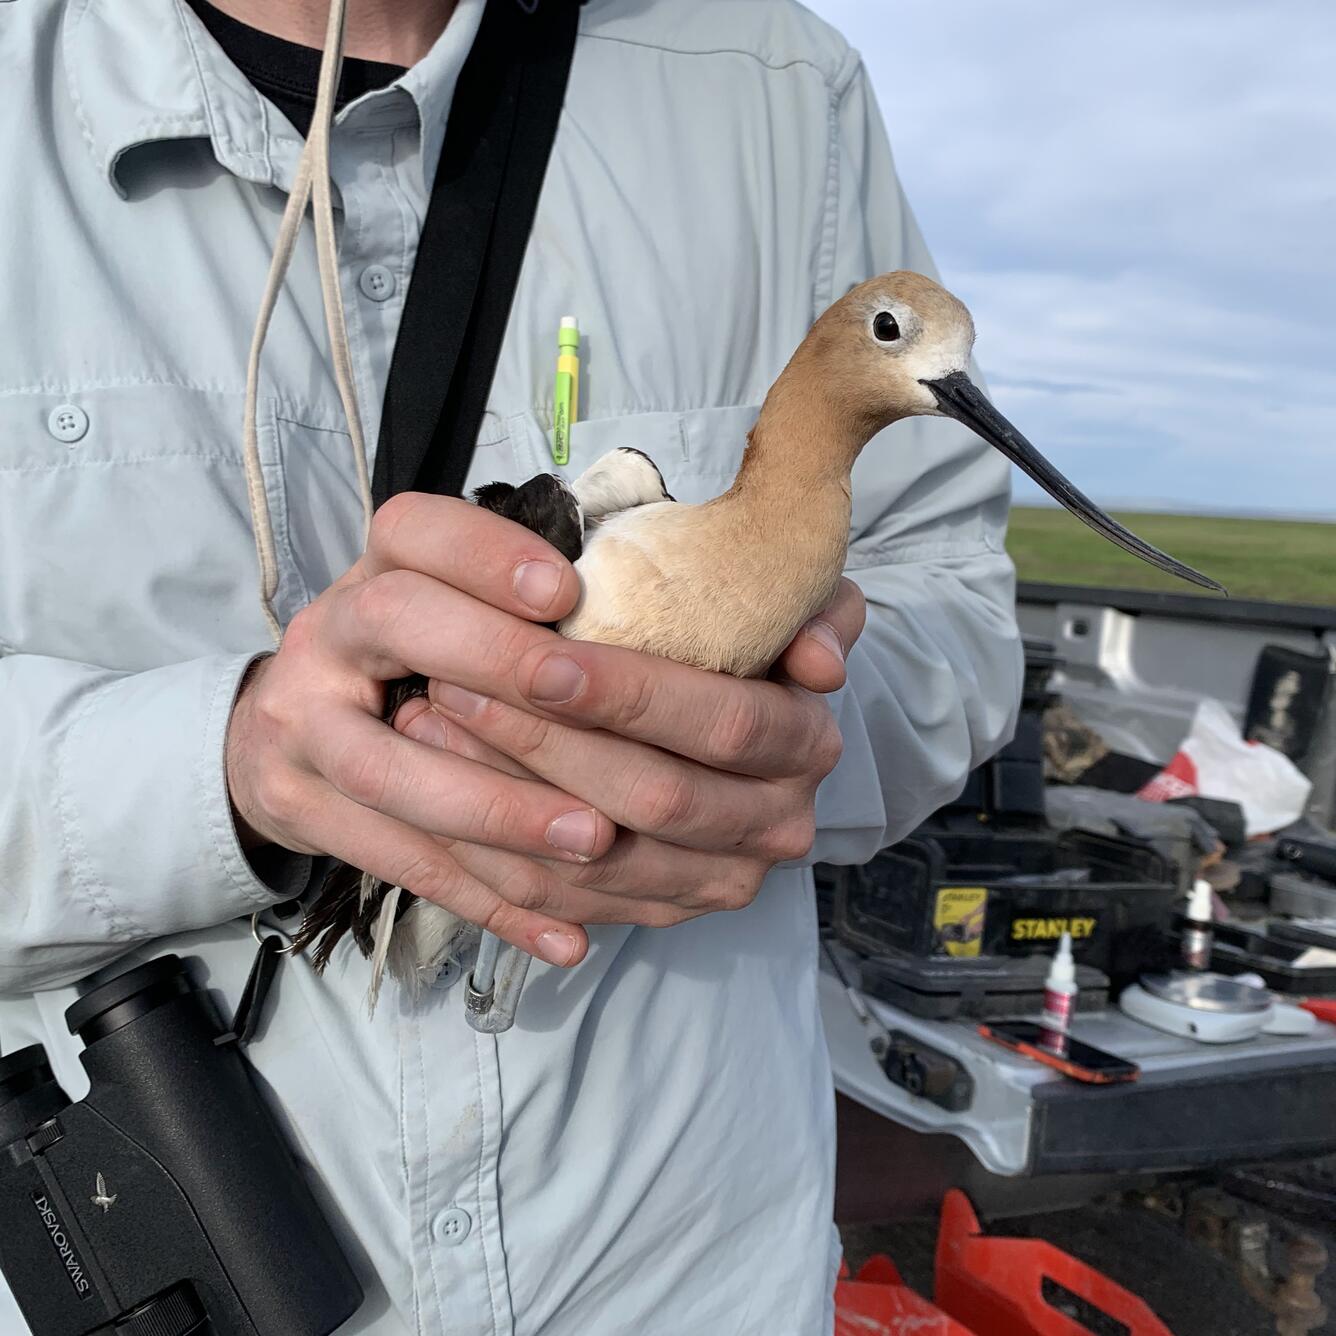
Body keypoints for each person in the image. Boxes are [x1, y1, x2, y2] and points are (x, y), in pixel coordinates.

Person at [0, 0, 1022, 1331]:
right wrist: (230, 765)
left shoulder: (780, 83)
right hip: (158, 1276)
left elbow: (956, 615)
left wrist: (783, 731)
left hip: (692, 1290)